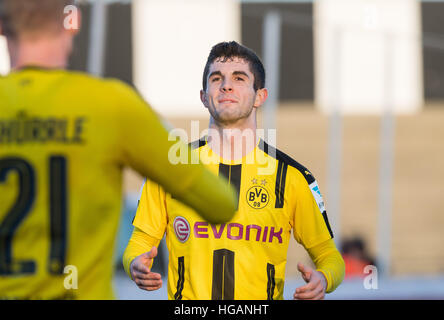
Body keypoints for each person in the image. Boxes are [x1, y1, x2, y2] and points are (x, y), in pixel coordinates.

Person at [0, 0, 237, 300]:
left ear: (1, 27)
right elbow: (221, 203)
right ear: (73, 22)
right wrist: (159, 132)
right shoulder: (113, 105)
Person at [123, 41, 345, 300]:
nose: (226, 85)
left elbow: (329, 256)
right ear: (204, 96)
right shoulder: (170, 169)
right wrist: (134, 265)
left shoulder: (292, 177)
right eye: (216, 78)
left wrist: (324, 278)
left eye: (239, 78)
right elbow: (138, 244)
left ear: (260, 96)